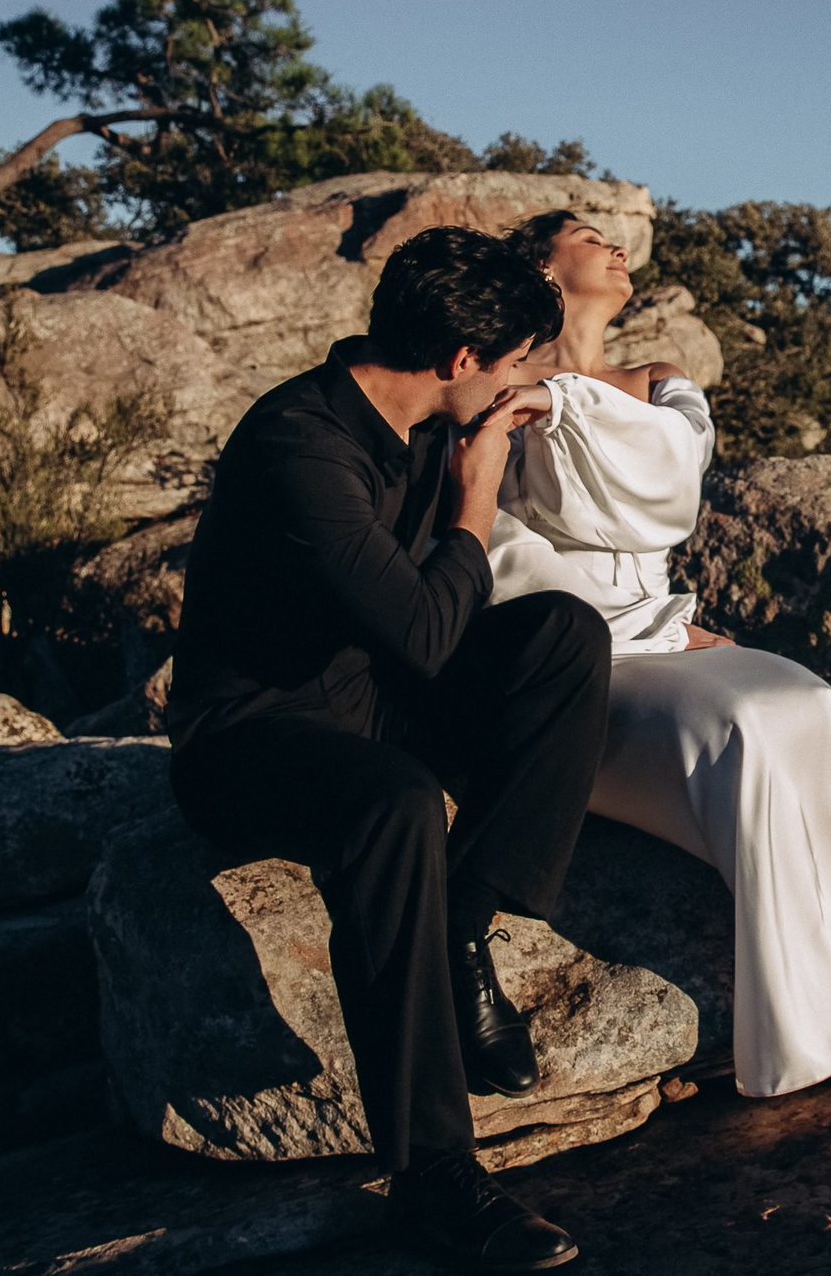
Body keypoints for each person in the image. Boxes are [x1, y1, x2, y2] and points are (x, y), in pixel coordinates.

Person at [167, 226, 606, 1272]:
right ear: (461, 362)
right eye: (513, 365)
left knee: (562, 638)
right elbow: (421, 631)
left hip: (377, 696)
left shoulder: (418, 419)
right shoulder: (299, 445)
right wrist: (476, 491)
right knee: (397, 802)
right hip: (250, 741)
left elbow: (426, 642)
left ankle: (462, 919)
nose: (521, 382)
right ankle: (434, 1179)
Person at [485, 210, 831, 1100]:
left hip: (665, 632)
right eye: (587, 234)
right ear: (544, 273)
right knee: (747, 725)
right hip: (577, 657)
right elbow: (497, 547)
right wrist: (542, 400)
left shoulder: (656, 383)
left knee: (810, 705)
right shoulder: (494, 394)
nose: (613, 242)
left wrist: (562, 401)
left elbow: (667, 475)